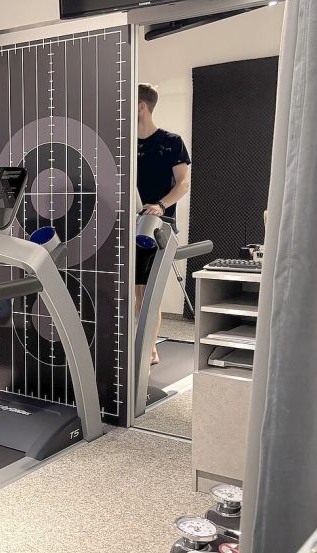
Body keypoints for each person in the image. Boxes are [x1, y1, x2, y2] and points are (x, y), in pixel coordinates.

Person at [135, 83, 191, 365]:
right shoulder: (125, 145)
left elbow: (183, 183)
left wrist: (161, 205)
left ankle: (149, 348)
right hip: (128, 224)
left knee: (146, 291)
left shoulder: (171, 141)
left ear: (141, 106)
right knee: (132, 289)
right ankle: (135, 342)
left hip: (157, 226)